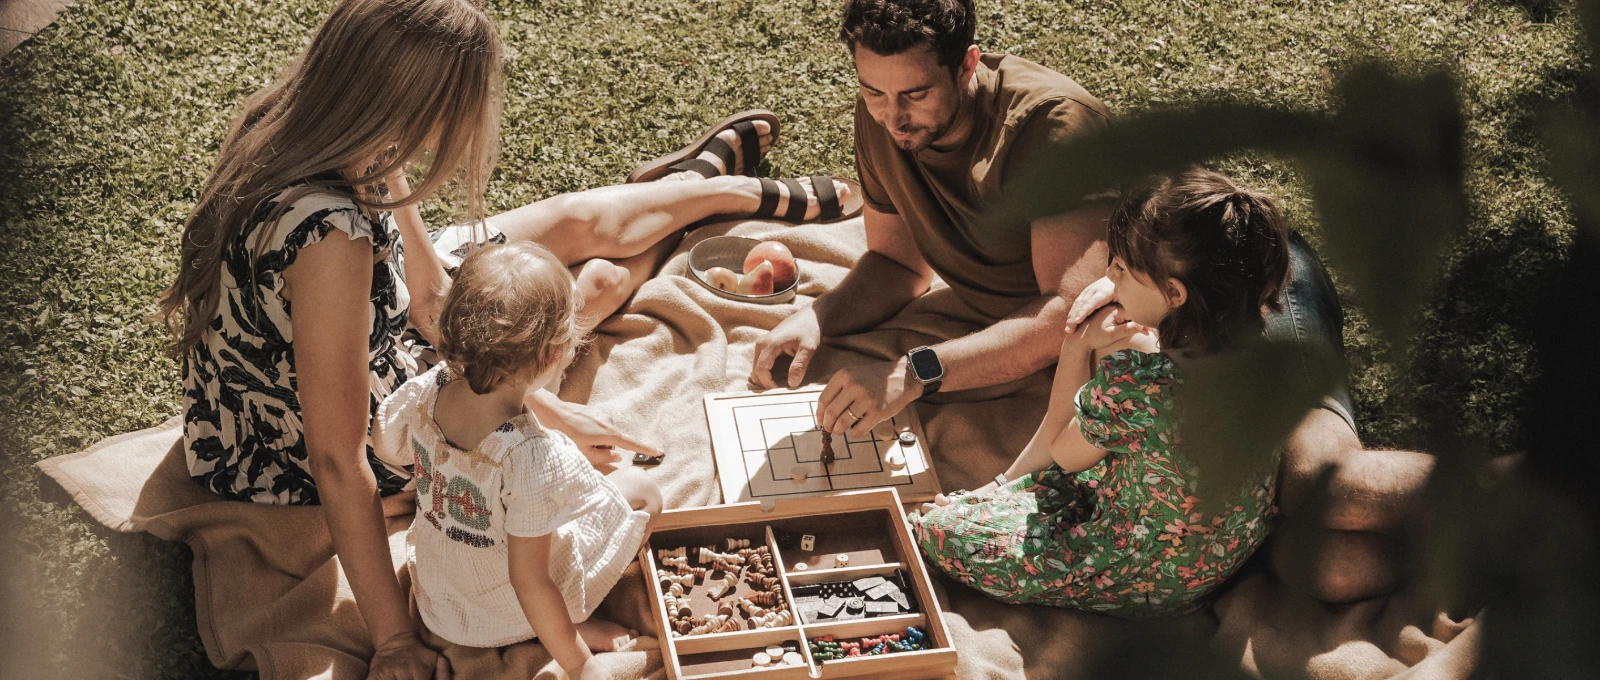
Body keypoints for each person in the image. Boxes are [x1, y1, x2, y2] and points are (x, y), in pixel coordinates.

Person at [156, 0, 852, 676]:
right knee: (601, 282)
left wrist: (540, 403)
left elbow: (430, 300)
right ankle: (688, 197)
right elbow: (338, 458)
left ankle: (711, 188)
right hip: (292, 449)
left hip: (351, 342)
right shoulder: (331, 238)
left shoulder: (335, 134)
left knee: (576, 228)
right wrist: (395, 639)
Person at [910, 169, 1287, 615]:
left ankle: (974, 510)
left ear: (1175, 292)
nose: (1108, 276)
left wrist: (1077, 345)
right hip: (1221, 551)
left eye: (1122, 269)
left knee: (947, 533)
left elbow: (1061, 451)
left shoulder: (1140, 384)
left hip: (1150, 572)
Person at [750, 0, 1114, 436]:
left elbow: (1069, 320)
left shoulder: (1053, 129)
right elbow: (898, 264)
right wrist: (819, 316)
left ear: (966, 66)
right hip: (979, 333)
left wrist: (912, 374)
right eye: (873, 93)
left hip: (1098, 352)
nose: (894, 118)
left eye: (916, 95)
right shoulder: (885, 117)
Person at [374, 242, 658, 680]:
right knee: (641, 493)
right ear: (551, 356)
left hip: (442, 601)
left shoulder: (429, 388)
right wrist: (580, 665)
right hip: (510, 609)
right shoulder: (529, 456)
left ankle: (540, 626)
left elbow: (384, 445)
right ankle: (565, 629)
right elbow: (530, 581)